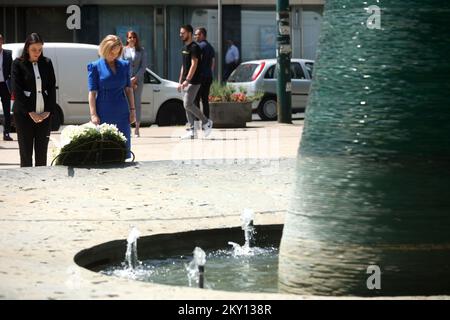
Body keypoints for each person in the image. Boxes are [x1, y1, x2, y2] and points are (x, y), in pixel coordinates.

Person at [11, 33, 56, 167]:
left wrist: (48, 111)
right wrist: (30, 112)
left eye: (40, 49)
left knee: (41, 154)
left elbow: (52, 87)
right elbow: (16, 90)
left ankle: (41, 184)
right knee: (26, 154)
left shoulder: (47, 63)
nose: (37, 53)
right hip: (24, 116)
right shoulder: (17, 64)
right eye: (34, 50)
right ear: (27, 49)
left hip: (44, 116)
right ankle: (27, 184)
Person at [87, 35, 136, 158]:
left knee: (122, 148)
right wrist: (93, 114)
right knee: (105, 150)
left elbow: (129, 89)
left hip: (122, 111)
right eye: (111, 52)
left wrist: (132, 110)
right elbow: (92, 93)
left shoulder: (124, 65)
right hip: (104, 112)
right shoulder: (95, 66)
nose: (113, 55)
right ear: (104, 49)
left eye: (117, 53)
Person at [177, 24, 213, 139]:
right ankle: (192, 131)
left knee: (187, 103)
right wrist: (180, 81)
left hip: (195, 80)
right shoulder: (184, 48)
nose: (180, 35)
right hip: (185, 81)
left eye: (183, 33)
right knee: (187, 105)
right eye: (180, 33)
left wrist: (187, 80)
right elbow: (184, 66)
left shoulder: (194, 47)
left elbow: (194, 64)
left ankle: (206, 122)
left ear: (189, 33)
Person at [122, 30, 147, 138]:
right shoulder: (123, 50)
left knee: (137, 104)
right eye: (130, 37)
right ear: (127, 39)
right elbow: (122, 65)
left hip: (138, 81)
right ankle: (128, 128)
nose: (132, 39)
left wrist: (135, 78)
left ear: (136, 39)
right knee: (127, 104)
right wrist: (128, 80)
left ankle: (137, 128)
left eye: (134, 37)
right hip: (126, 82)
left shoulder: (141, 50)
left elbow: (143, 67)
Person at [194, 27, 215, 118]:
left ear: (202, 35)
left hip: (200, 77)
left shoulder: (199, 47)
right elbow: (213, 64)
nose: (195, 37)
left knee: (196, 100)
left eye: (197, 34)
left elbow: (196, 63)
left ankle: (197, 123)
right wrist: (209, 73)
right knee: (205, 100)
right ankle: (206, 123)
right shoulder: (210, 47)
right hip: (208, 77)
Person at [0, 33, 13, 141]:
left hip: (5, 85)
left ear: (2, 42)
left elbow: (12, 71)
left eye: (0, 40)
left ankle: (7, 133)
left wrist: (12, 86)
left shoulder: (8, 54)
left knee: (6, 111)